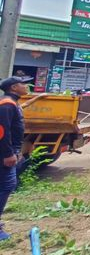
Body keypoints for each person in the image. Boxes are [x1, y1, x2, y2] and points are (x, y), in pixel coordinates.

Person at [0, 76, 47, 240]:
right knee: (6, 185)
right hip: (4, 154)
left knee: (7, 185)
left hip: (10, 152)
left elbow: (21, 110)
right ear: (14, 87)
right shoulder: (6, 105)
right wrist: (8, 154)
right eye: (23, 84)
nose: (26, 86)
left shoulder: (12, 103)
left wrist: (38, 97)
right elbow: (2, 131)